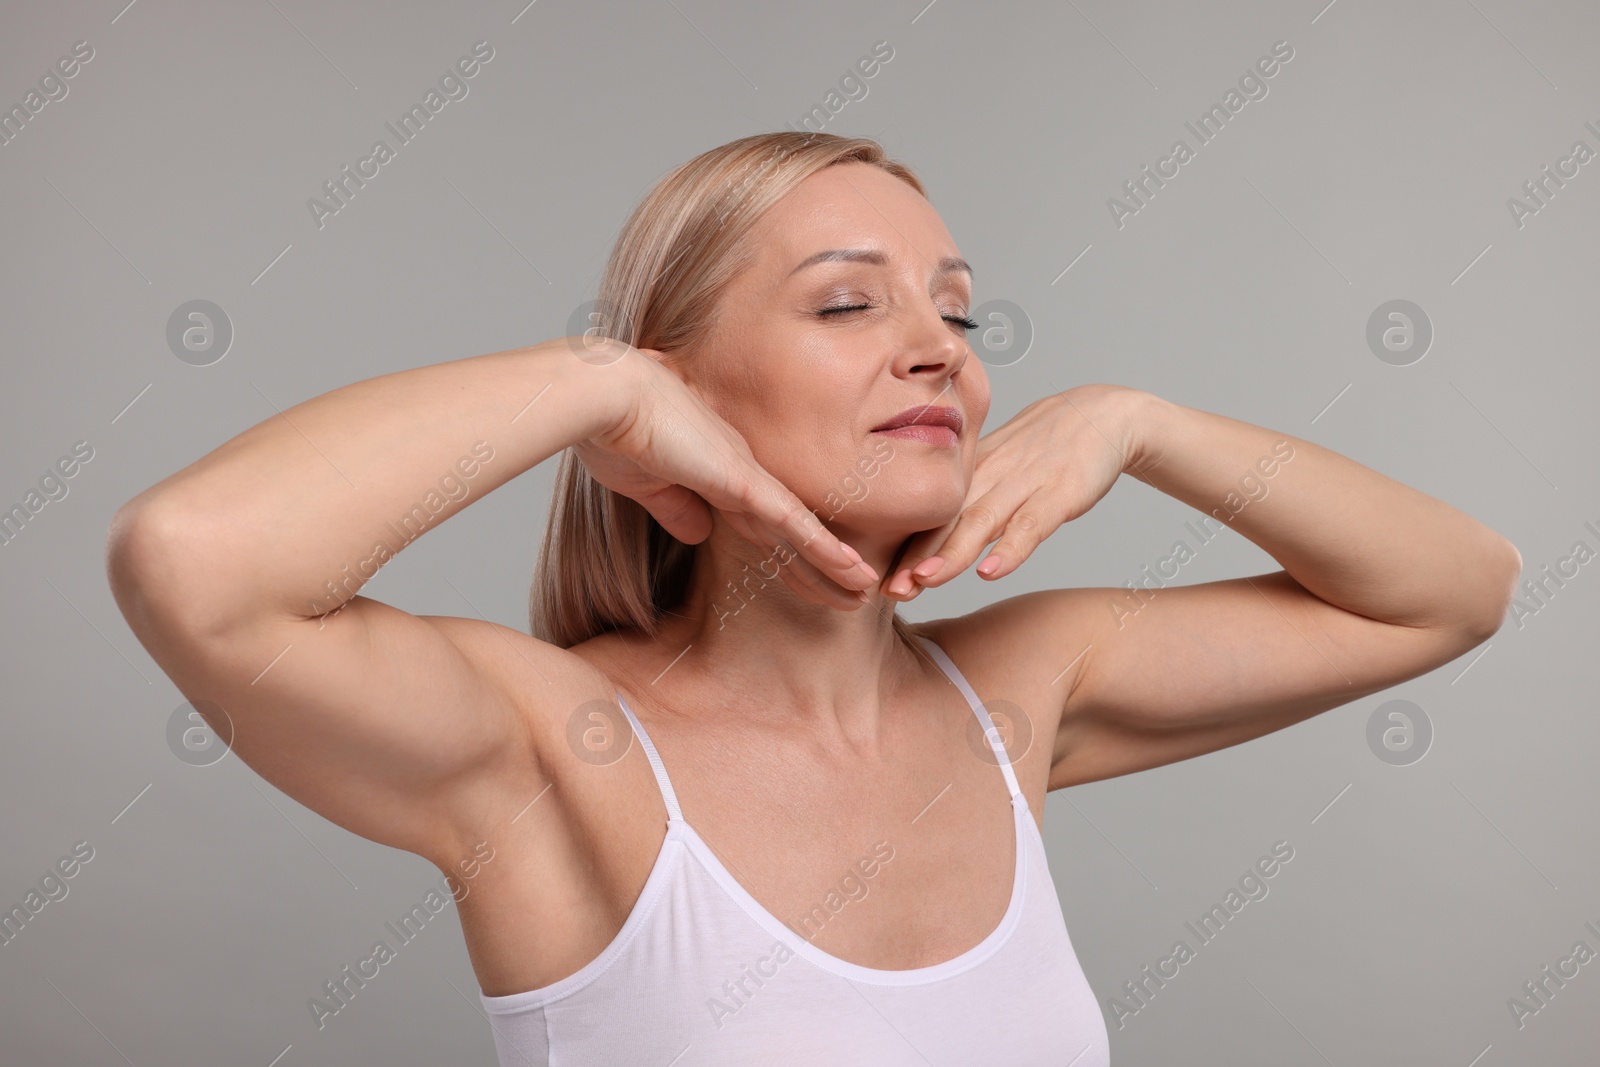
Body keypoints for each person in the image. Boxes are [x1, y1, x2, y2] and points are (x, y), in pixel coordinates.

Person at [105, 132, 1521, 1065]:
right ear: (682, 385)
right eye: (849, 305)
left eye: (956, 314)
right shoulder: (549, 750)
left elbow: (1454, 592)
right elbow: (192, 558)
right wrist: (594, 385)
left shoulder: (1020, 690)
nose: (937, 352)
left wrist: (1140, 421)